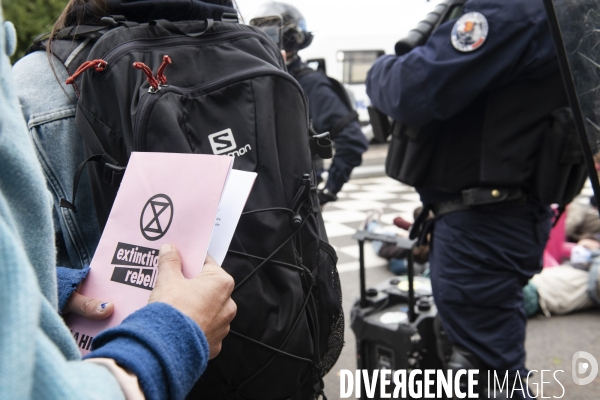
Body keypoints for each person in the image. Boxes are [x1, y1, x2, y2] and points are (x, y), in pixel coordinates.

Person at [0, 7, 236, 400]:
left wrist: (43, 285)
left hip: (116, 358)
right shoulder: (241, 50)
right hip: (253, 361)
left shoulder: (33, 83)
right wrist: (172, 333)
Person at [367, 1, 567, 398]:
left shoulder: (514, 10)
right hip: (486, 217)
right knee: (484, 367)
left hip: (485, 226)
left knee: (487, 374)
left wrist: (379, 70)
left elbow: (411, 89)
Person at [254, 1, 369, 206]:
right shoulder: (255, 81)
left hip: (297, 204)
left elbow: (353, 141)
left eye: (270, 33)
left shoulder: (309, 83)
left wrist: (329, 191)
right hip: (260, 203)